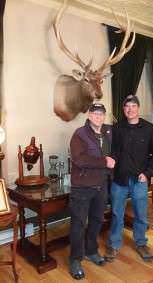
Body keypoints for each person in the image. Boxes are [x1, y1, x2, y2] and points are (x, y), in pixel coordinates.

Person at [105, 95, 153, 262]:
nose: (130, 109)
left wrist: (148, 173)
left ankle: (141, 243)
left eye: (133, 106)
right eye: (127, 106)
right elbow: (113, 151)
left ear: (138, 108)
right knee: (116, 214)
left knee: (140, 214)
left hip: (139, 180)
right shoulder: (117, 128)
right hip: (119, 179)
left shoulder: (149, 128)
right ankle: (114, 244)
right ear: (124, 110)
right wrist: (111, 160)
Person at [69, 103, 115, 280]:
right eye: (95, 114)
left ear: (104, 116)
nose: (98, 117)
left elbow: (116, 150)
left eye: (101, 114)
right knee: (78, 224)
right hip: (82, 187)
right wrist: (105, 161)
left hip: (101, 185)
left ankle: (91, 251)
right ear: (89, 115)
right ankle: (75, 259)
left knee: (96, 220)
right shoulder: (80, 134)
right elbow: (79, 159)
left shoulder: (107, 132)